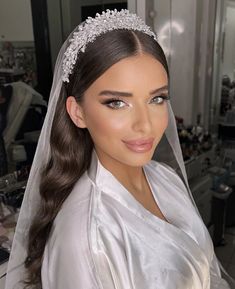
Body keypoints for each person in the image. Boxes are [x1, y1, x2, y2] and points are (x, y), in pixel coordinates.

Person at [4, 9, 235, 289]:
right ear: (77, 113)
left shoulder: (163, 176)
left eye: (157, 98)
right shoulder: (84, 237)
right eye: (117, 102)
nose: (145, 125)